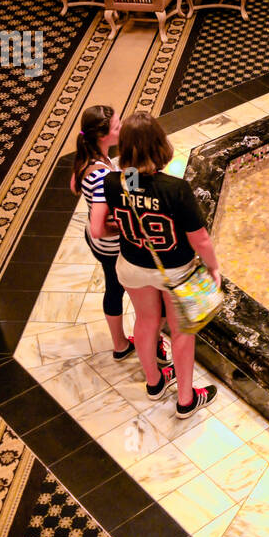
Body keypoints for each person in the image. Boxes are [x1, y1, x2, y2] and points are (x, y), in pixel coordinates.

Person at [96, 112, 221, 418]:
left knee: (146, 321)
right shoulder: (174, 189)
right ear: (160, 145)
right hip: (174, 271)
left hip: (131, 265)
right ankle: (186, 400)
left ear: (125, 146)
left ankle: (154, 383)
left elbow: (98, 227)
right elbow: (200, 240)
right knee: (181, 333)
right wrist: (214, 268)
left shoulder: (114, 182)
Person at [70, 105, 169, 367]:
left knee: (113, 288)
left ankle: (120, 344)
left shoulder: (88, 158)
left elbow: (74, 185)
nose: (122, 128)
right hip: (111, 245)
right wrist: (118, 226)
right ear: (103, 135)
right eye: (117, 127)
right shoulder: (102, 174)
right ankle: (150, 341)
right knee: (145, 298)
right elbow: (97, 227)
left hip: (97, 246)